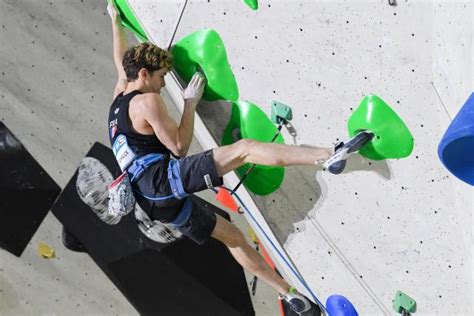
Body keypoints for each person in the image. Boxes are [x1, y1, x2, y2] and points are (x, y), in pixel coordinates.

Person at [106, 1, 371, 314]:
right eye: (162, 77)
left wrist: (115, 20)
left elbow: (119, 60)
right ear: (146, 74)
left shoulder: (118, 98)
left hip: (151, 202)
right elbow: (178, 147)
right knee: (244, 148)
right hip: (163, 181)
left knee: (232, 237)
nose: (164, 84)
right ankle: (327, 156)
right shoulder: (146, 101)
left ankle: (291, 297)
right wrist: (190, 103)